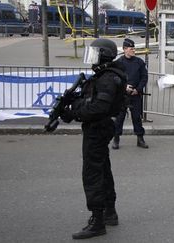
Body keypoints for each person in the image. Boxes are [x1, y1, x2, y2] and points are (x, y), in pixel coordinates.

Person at [60, 38, 126, 239]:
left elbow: (99, 107)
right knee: (103, 169)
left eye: (95, 53)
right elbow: (93, 101)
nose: (92, 58)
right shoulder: (105, 75)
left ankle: (98, 221)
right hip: (100, 127)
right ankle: (109, 212)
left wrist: (74, 113)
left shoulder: (107, 78)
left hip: (98, 128)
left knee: (92, 174)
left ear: (103, 55)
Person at [112, 38, 149, 149]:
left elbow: (144, 77)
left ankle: (140, 139)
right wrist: (125, 87)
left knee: (137, 117)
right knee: (119, 118)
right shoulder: (118, 63)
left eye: (134, 48)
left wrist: (137, 89)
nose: (133, 50)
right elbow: (114, 78)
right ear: (124, 49)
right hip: (122, 95)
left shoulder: (139, 62)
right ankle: (116, 138)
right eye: (131, 48)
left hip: (135, 95)